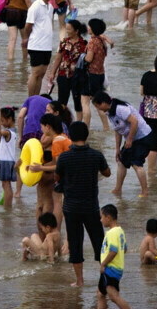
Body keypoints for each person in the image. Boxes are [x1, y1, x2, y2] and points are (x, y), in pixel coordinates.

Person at [54, 121, 111, 288]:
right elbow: (107, 173)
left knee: (76, 245)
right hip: (91, 206)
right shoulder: (96, 155)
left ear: (70, 136)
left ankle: (79, 281)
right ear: (86, 136)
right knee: (99, 243)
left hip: (71, 207)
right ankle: (105, 278)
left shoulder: (64, 157)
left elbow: (57, 177)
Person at [93, 92, 152, 198]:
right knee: (121, 161)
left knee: (136, 164)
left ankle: (145, 192)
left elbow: (134, 122)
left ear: (104, 103)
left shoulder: (120, 109)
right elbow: (117, 130)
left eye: (98, 106)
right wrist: (117, 149)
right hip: (132, 138)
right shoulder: (109, 112)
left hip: (143, 136)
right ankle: (118, 189)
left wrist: (129, 140)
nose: (98, 109)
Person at [24, 0, 57, 97]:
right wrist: (26, 39)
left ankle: (36, 97)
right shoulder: (35, 6)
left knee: (42, 74)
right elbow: (28, 26)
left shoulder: (51, 7)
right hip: (36, 45)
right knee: (35, 74)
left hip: (46, 45)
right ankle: (30, 99)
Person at [97, 204, 131, 309]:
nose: (101, 220)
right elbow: (124, 249)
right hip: (116, 268)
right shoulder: (120, 231)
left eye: (101, 217)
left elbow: (113, 251)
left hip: (111, 269)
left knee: (114, 296)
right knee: (100, 294)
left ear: (108, 217)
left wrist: (103, 264)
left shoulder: (111, 233)